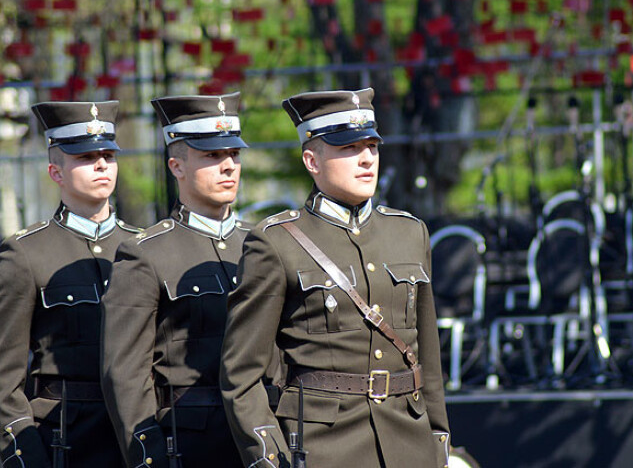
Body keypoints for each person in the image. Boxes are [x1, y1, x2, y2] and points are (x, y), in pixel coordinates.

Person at [221, 88, 450, 468]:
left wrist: (438, 441)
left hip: (409, 444)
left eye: (372, 147)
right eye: (349, 148)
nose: (367, 160)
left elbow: (428, 358)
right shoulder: (276, 242)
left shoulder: (410, 233)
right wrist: (269, 457)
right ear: (312, 160)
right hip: (324, 447)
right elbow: (241, 374)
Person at [100, 93, 276, 468]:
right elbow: (126, 376)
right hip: (189, 445)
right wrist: (149, 458)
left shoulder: (264, 245)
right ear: (177, 166)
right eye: (212, 156)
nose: (228, 166)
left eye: (234, 155)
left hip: (264, 442)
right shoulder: (145, 254)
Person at [0, 100, 140, 467]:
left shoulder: (142, 248)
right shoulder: (26, 253)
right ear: (55, 172)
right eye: (85, 157)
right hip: (62, 440)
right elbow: (4, 377)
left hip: (138, 438)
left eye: (108, 155)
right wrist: (25, 453)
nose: (100, 165)